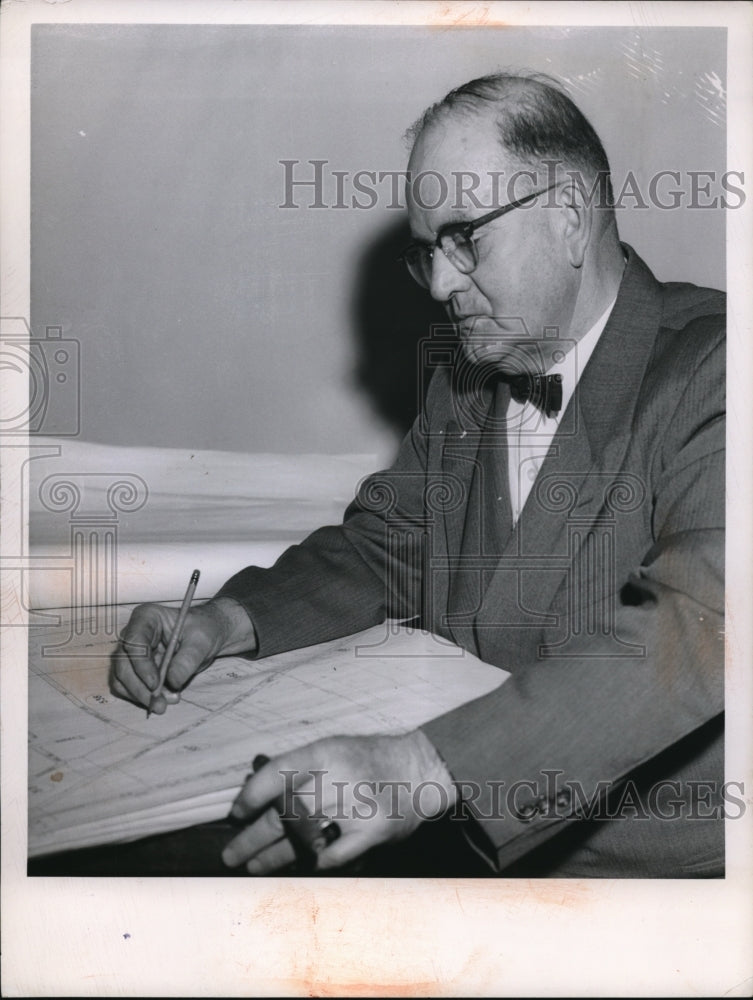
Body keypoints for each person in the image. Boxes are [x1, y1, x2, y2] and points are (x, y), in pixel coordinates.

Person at [112, 73, 725, 878]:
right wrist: (230, 619)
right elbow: (389, 546)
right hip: (452, 831)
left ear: (570, 217)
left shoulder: (718, 367)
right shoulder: (467, 380)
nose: (439, 286)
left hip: (636, 876)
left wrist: (422, 768)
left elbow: (700, 626)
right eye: (427, 251)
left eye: (466, 237)